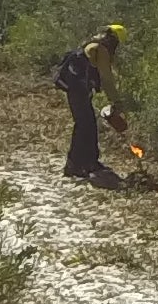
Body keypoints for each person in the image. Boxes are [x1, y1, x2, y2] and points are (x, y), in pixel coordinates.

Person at [54, 19, 133, 182]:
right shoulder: (101, 49)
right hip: (78, 90)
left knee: (87, 124)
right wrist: (116, 101)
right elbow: (106, 79)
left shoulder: (92, 43)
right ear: (114, 40)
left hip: (78, 89)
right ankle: (76, 165)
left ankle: (88, 162)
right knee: (85, 125)